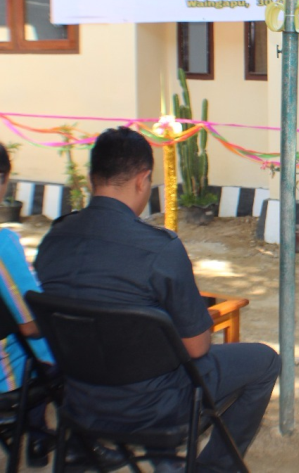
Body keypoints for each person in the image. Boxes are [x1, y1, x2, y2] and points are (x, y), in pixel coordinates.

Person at [34, 127, 280, 472]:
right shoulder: (159, 248)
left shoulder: (53, 240)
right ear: (143, 180)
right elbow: (196, 347)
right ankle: (214, 467)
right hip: (154, 408)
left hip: (81, 402)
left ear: (92, 179)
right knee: (266, 362)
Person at [0, 143, 56, 467]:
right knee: (72, 346)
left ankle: (38, 433)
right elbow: (31, 326)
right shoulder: (4, 245)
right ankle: (76, 440)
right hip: (7, 382)